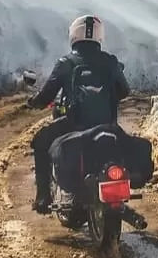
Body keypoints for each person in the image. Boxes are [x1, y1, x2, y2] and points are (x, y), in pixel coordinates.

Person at [27, 14, 130, 212]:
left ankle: (43, 197)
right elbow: (125, 91)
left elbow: (46, 95)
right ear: (99, 36)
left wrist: (33, 102)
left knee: (40, 142)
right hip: (107, 125)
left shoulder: (66, 62)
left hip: (74, 124)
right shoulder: (110, 62)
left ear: (74, 35)